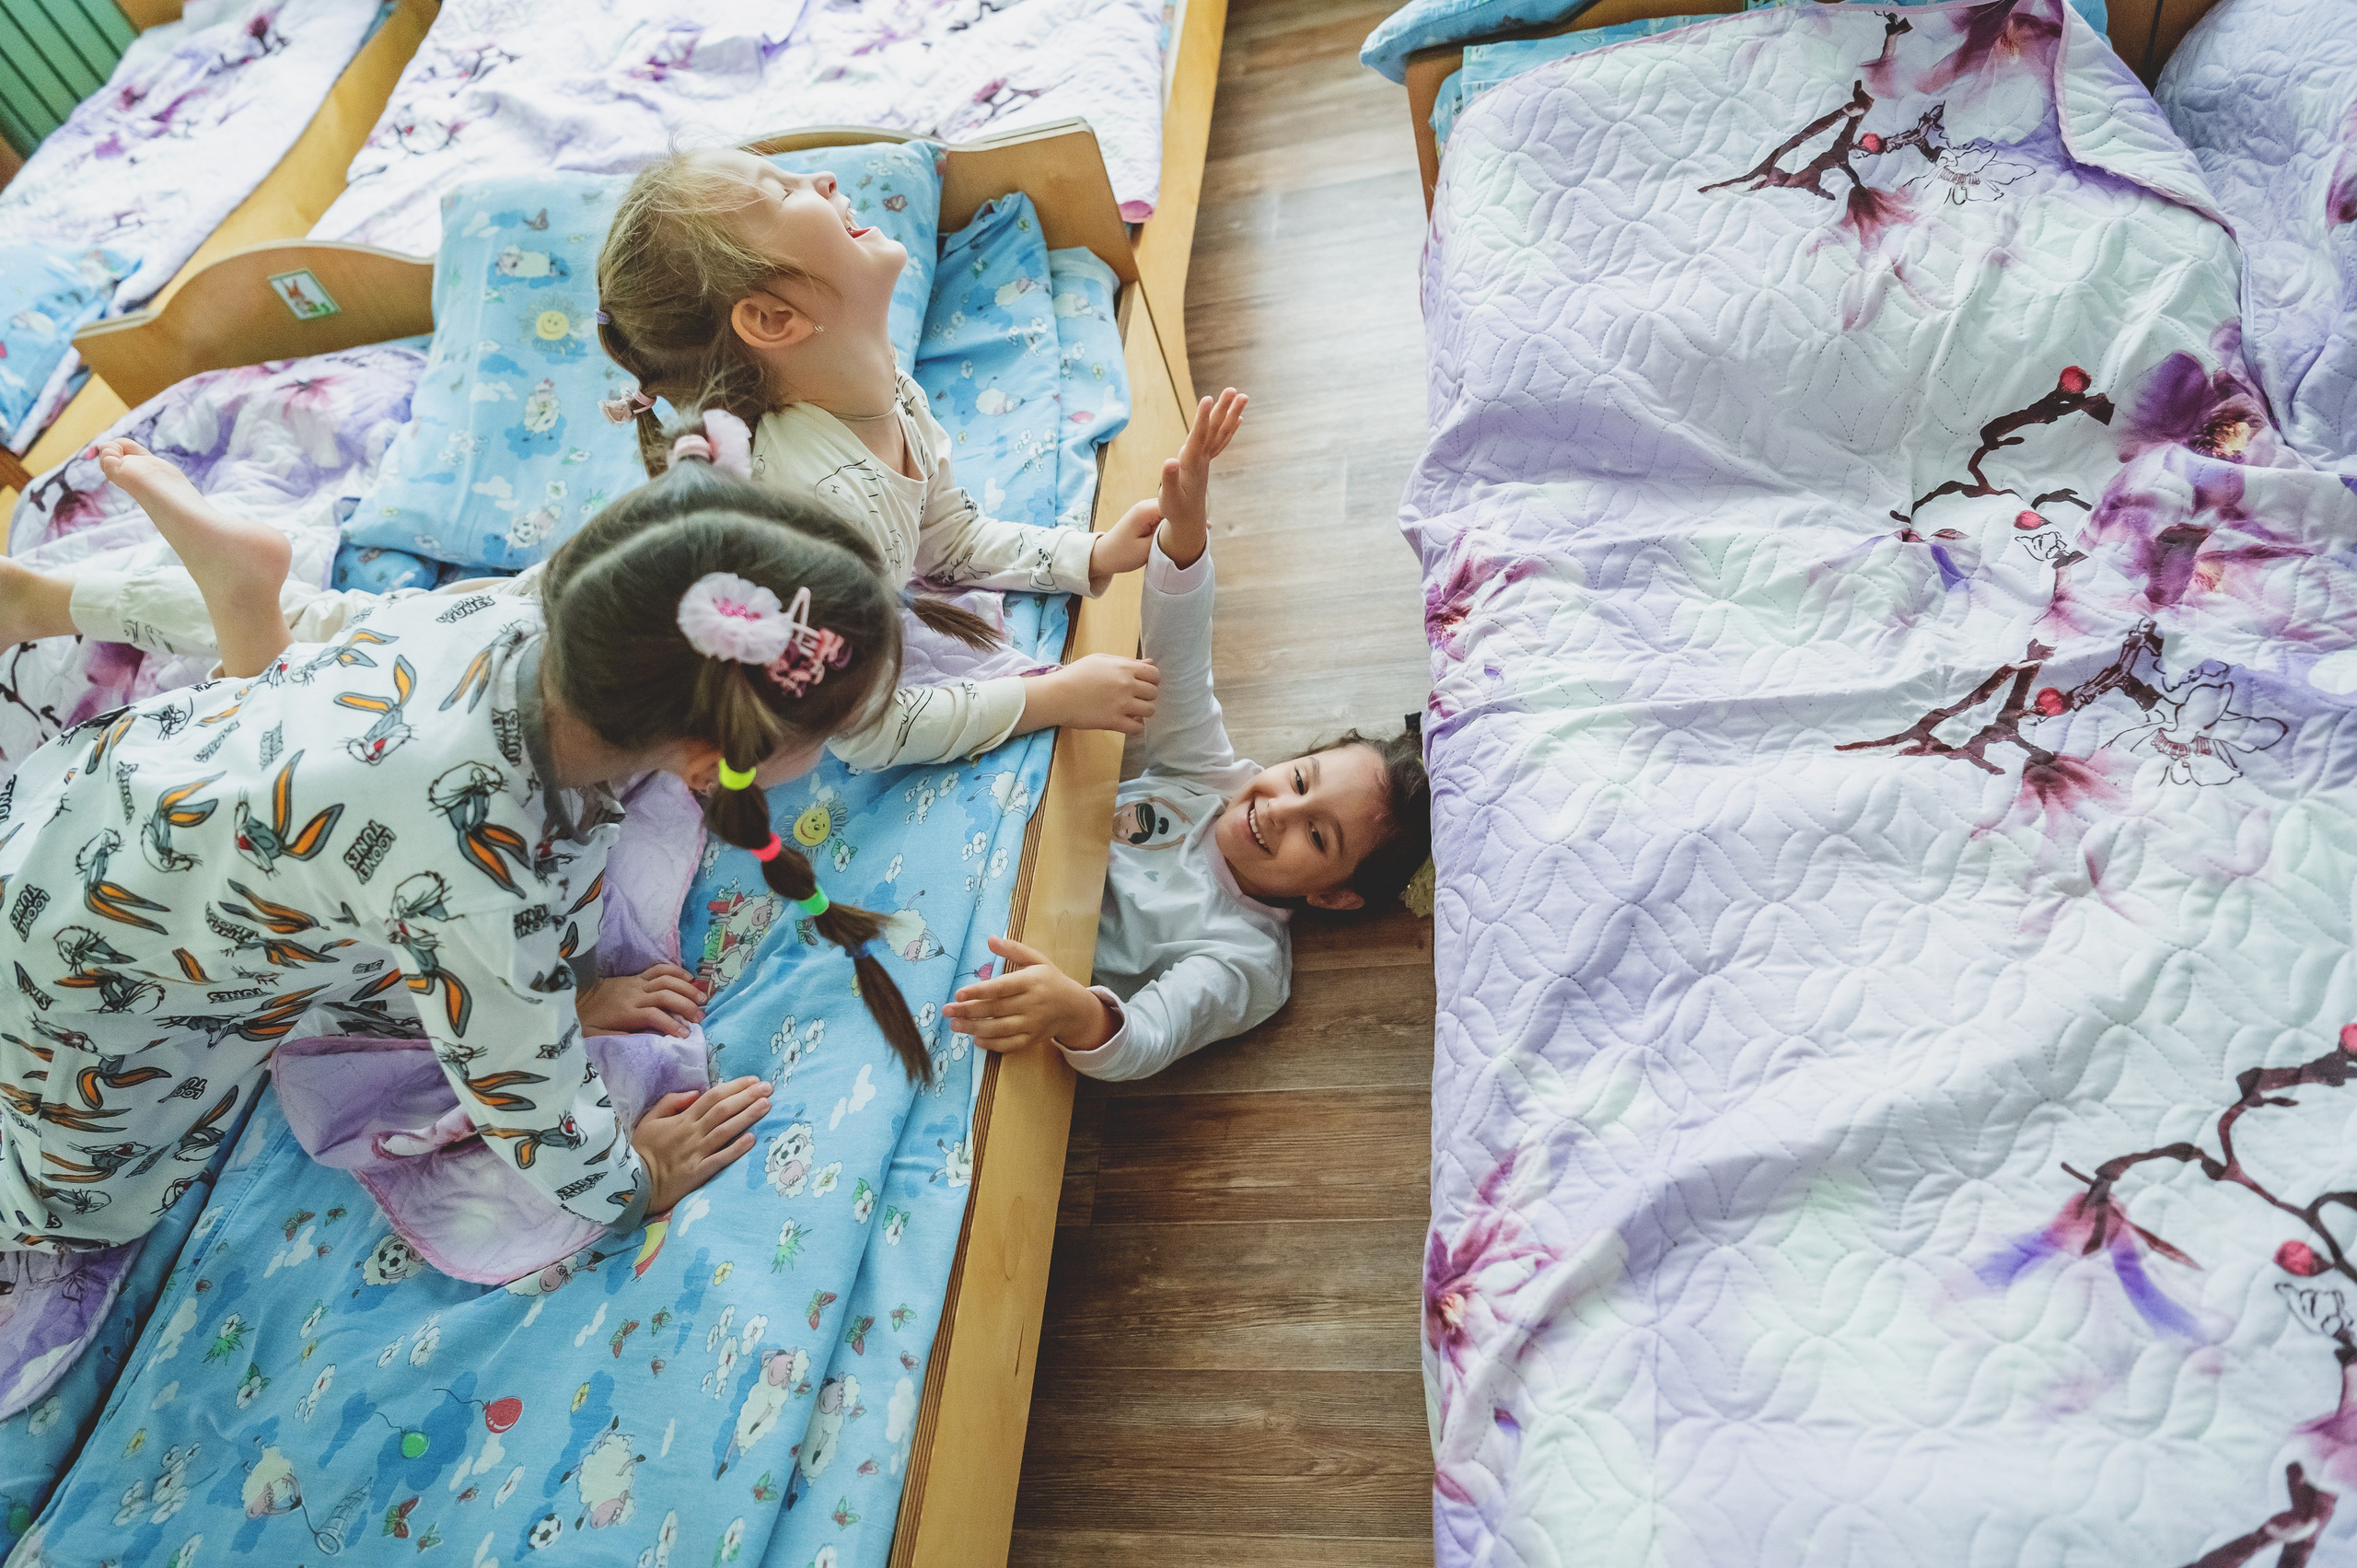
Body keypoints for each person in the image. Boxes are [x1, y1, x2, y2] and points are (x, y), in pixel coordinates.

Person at [0, 430, 926, 1256]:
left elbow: (348, 653)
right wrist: (629, 1179)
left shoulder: (520, 614)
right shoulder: (483, 883)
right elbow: (523, 1091)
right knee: (77, 1203)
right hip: (85, 973)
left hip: (125, 783)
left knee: (337, 770)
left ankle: (242, 605)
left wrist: (573, 987)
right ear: (704, 756)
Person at [593, 149, 1188, 768]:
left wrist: (1090, 553)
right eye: (781, 191)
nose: (822, 177)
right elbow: (870, 730)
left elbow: (947, 542)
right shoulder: (816, 510)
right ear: (773, 319)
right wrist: (1052, 696)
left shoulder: (888, 392)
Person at [940, 394, 1433, 1081]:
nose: (1277, 810)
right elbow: (1178, 663)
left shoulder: (1248, 960)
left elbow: (1150, 1033)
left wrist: (1075, 1009)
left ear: (1333, 895)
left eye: (1317, 838)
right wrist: (1187, 525)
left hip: (1013, 939)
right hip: (998, 833)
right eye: (1299, 779)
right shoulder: (1217, 780)